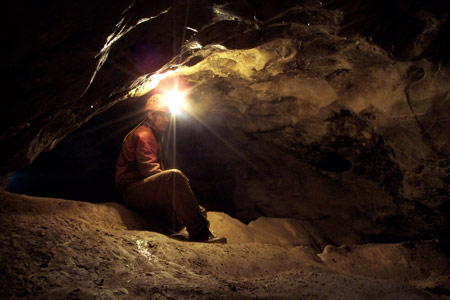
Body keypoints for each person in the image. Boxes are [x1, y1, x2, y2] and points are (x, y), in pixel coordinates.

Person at [115, 93, 226, 243]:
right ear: (150, 115)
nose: (166, 120)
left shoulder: (154, 135)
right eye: (162, 115)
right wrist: (176, 184)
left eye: (168, 116)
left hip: (142, 189)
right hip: (131, 191)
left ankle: (183, 232)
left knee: (198, 210)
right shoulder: (144, 135)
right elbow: (148, 170)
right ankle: (201, 234)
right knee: (174, 177)